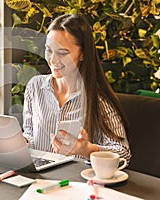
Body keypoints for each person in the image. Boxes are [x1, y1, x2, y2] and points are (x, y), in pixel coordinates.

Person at [22, 14, 131, 164]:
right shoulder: (35, 87)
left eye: (62, 53)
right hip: (38, 180)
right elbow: (30, 133)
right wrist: (22, 142)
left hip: (75, 184)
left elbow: (124, 153)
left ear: (82, 54)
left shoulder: (97, 100)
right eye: (49, 50)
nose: (53, 60)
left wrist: (88, 150)